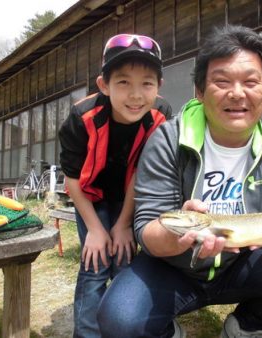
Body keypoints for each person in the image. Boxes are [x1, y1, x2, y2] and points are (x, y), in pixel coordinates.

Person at [97, 25, 262, 338]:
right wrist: (176, 237)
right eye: (221, 81)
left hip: (244, 265)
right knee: (119, 319)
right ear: (200, 92)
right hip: (173, 268)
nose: (236, 93)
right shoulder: (167, 140)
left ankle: (243, 327)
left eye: (250, 82)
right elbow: (147, 230)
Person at [59, 33, 171, 338]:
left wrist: (123, 225)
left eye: (147, 83)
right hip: (89, 196)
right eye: (123, 82)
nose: (136, 95)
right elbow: (71, 177)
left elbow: (144, 171)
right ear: (104, 85)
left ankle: (124, 326)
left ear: (159, 86)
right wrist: (96, 229)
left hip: (129, 196)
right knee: (95, 264)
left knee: (124, 258)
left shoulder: (161, 117)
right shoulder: (81, 117)